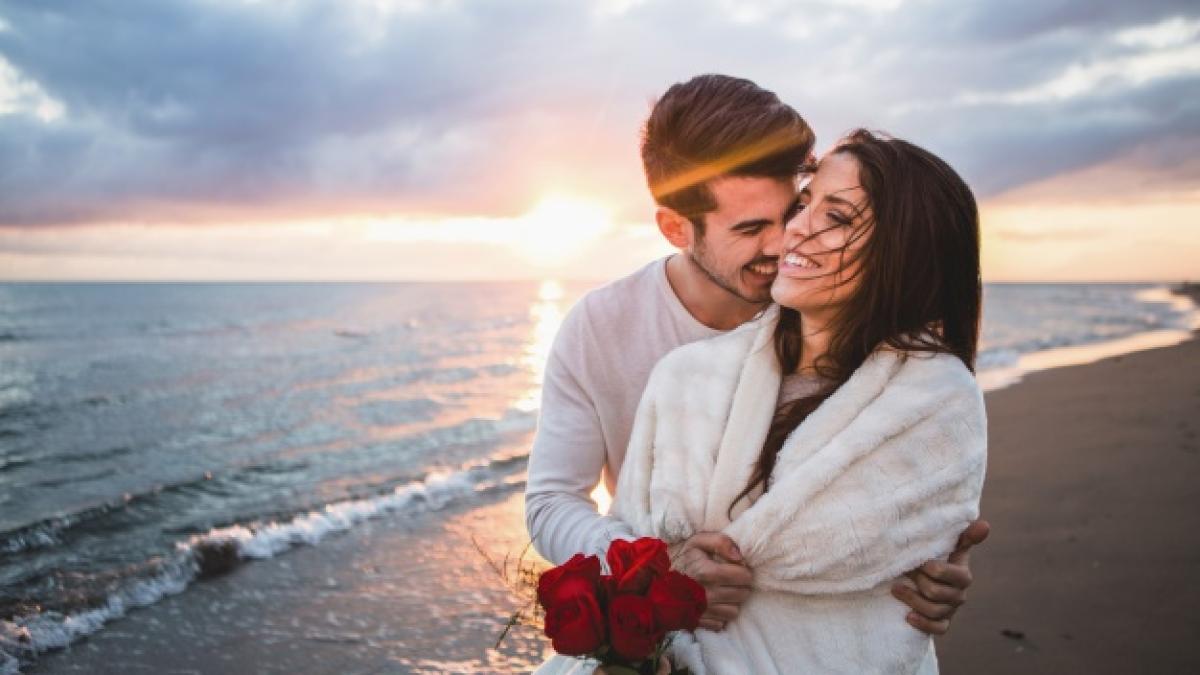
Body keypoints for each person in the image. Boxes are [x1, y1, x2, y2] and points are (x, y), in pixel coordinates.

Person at [524, 74, 988, 639]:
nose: (786, 240)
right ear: (676, 228)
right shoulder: (602, 327)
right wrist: (651, 565)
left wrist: (923, 557)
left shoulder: (839, 318)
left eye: (795, 209)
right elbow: (551, 503)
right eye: (750, 228)